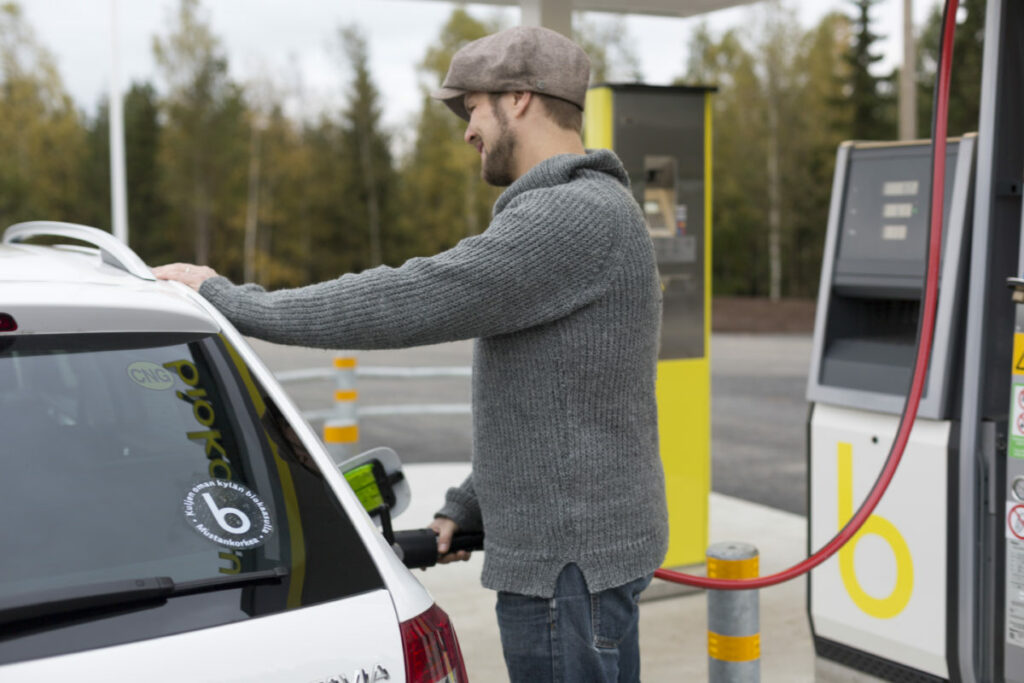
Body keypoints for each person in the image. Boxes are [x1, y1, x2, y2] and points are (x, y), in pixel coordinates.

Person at [154, 25, 668, 683]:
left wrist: (236, 302)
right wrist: (473, 500)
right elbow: (571, 398)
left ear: (519, 98)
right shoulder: (588, 211)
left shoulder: (570, 216)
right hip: (579, 562)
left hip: (567, 572)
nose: (466, 130)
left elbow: (412, 296)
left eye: (473, 106)